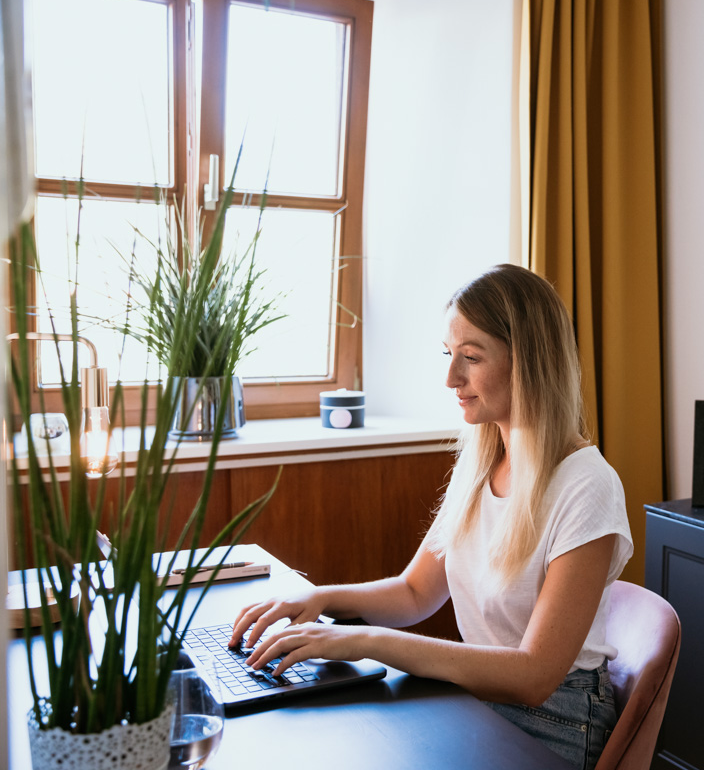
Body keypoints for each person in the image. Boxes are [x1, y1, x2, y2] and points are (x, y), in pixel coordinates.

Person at [228, 264, 634, 770]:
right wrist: (320, 598)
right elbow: (416, 592)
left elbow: (534, 676)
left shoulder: (587, 485)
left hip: (557, 719)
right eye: (449, 354)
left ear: (529, 362)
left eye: (471, 357)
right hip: (480, 696)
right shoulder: (482, 462)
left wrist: (365, 641)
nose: (450, 378)